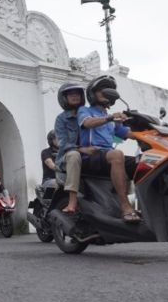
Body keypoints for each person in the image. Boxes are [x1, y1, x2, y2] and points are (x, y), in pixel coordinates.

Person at [77, 75, 140, 223]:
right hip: (90, 155)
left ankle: (144, 204)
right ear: (93, 93)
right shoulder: (85, 110)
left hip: (108, 156)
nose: (106, 93)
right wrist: (110, 118)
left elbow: (128, 133)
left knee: (144, 161)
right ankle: (125, 206)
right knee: (117, 154)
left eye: (109, 90)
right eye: (101, 90)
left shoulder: (112, 118)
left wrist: (151, 134)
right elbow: (87, 123)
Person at [53, 82, 86, 214]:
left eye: (77, 93)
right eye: (71, 94)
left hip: (89, 155)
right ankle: (72, 201)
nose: (75, 96)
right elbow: (64, 143)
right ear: (64, 98)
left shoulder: (88, 115)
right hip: (68, 157)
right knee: (74, 155)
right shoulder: (61, 119)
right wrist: (82, 150)